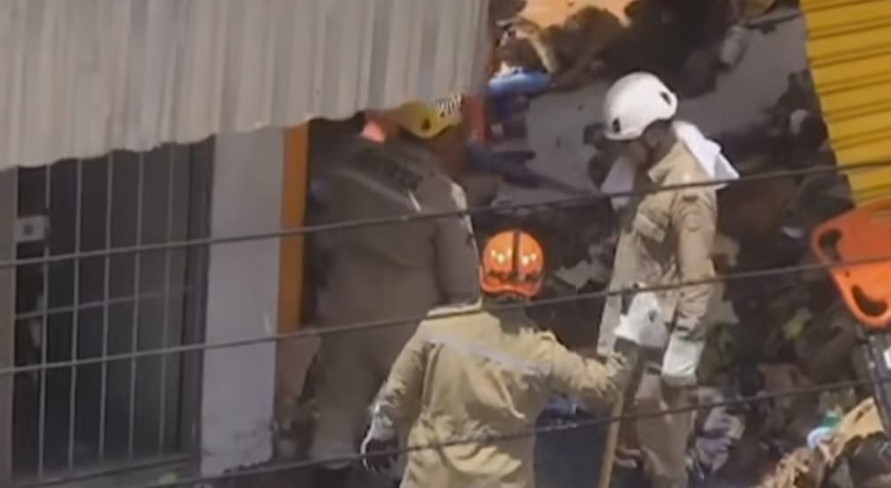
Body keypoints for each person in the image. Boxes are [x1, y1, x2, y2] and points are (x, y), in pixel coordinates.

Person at [359, 229, 663, 488]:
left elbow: (397, 389)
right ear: (535, 286)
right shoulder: (540, 352)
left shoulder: (438, 327)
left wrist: (381, 432)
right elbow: (605, 387)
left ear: (482, 273)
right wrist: (630, 333)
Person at [306, 94, 483, 487]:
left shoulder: (351, 163)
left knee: (335, 417)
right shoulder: (442, 195)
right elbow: (463, 288)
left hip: (344, 310)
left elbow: (321, 230)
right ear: (442, 134)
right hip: (406, 333)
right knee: (408, 433)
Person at [596, 72, 735, 488]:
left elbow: (697, 276)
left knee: (658, 415)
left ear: (651, 136)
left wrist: (685, 346)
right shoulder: (648, 169)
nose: (621, 153)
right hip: (636, 313)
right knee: (626, 400)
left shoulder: (688, 191)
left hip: (666, 322)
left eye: (627, 143)